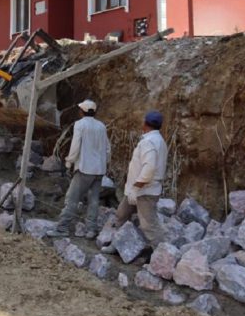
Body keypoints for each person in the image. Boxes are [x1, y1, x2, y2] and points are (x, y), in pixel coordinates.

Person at [102, 110, 168, 252]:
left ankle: (162, 255)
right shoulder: (158, 140)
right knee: (121, 215)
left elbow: (148, 170)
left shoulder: (149, 142)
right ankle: (116, 245)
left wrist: (136, 188)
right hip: (138, 190)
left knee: (148, 225)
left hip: (144, 191)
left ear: (145, 124)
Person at [46, 99, 110, 239]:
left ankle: (62, 228)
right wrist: (104, 164)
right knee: (93, 200)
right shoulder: (101, 126)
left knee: (72, 198)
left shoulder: (80, 125)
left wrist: (69, 162)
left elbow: (75, 147)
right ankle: (91, 230)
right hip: (99, 170)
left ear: (82, 112)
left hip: (85, 169)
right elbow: (107, 148)